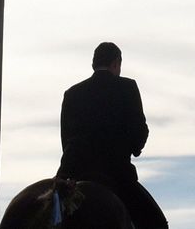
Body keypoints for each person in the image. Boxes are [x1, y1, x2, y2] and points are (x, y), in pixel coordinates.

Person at [56, 42, 168, 229]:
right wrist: (136, 147)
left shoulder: (72, 94)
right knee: (157, 223)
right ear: (116, 63)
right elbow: (139, 130)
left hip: (75, 175)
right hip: (117, 175)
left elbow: (66, 139)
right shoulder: (127, 87)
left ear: (94, 63)